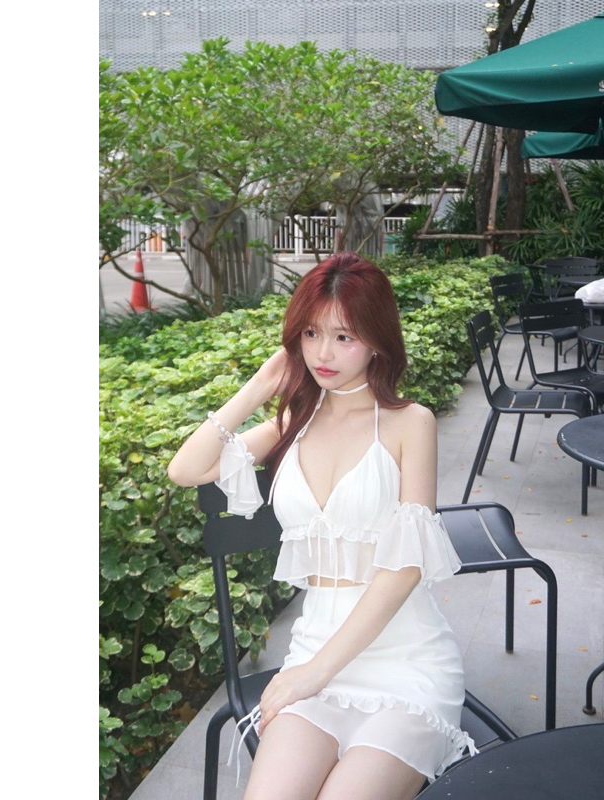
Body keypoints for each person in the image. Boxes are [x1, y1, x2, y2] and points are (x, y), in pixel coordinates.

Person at [168, 252, 474, 800]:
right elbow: (186, 470)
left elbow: (404, 570)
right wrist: (260, 386)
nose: (323, 353)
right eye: (311, 333)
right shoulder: (294, 421)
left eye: (343, 336)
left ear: (377, 340)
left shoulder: (410, 423)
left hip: (404, 660)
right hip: (313, 650)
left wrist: (315, 673)